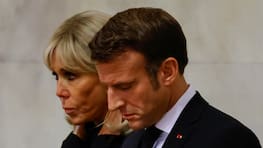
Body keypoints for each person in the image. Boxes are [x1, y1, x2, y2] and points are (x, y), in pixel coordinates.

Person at [89, 7, 261, 148]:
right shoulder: (132, 141)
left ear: (168, 71)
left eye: (125, 87)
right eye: (107, 88)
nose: (112, 104)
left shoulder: (228, 140)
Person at [44, 10, 129, 148]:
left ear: (108, 73)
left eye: (71, 76)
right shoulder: (84, 134)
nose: (59, 92)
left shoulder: (143, 138)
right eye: (56, 76)